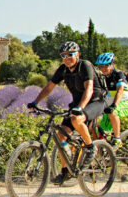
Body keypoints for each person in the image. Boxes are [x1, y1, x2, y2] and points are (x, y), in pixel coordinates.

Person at [27, 41, 110, 185]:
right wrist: (35, 102)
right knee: (60, 136)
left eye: (70, 55)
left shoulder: (85, 66)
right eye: (63, 56)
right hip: (77, 104)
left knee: (76, 120)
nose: (67, 58)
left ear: (77, 54)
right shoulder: (63, 69)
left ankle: (90, 148)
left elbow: (89, 89)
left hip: (95, 101)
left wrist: (80, 108)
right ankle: (65, 171)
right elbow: (49, 87)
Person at [94, 52, 128, 148]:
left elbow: (120, 91)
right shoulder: (101, 77)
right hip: (110, 104)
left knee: (113, 112)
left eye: (106, 66)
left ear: (112, 64)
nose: (103, 69)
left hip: (126, 102)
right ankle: (106, 154)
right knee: (98, 130)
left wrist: (114, 105)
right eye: (101, 66)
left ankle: (117, 139)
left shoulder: (118, 74)